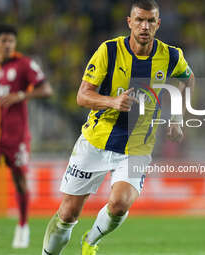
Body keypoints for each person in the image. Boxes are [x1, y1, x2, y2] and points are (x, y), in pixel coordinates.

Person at [42, 0, 195, 254]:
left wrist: (178, 117)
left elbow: (188, 79)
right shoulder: (109, 51)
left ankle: (90, 241)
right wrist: (112, 101)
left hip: (136, 145)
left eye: (150, 21)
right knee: (68, 213)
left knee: (120, 203)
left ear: (158, 24)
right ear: (129, 22)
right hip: (95, 141)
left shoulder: (171, 55)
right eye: (139, 20)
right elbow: (82, 96)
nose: (144, 26)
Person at [0, 24, 52, 249]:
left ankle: (22, 226)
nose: (7, 45)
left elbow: (46, 90)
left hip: (16, 136)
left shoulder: (24, 64)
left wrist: (21, 95)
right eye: (3, 40)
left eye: (11, 41)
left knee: (20, 182)